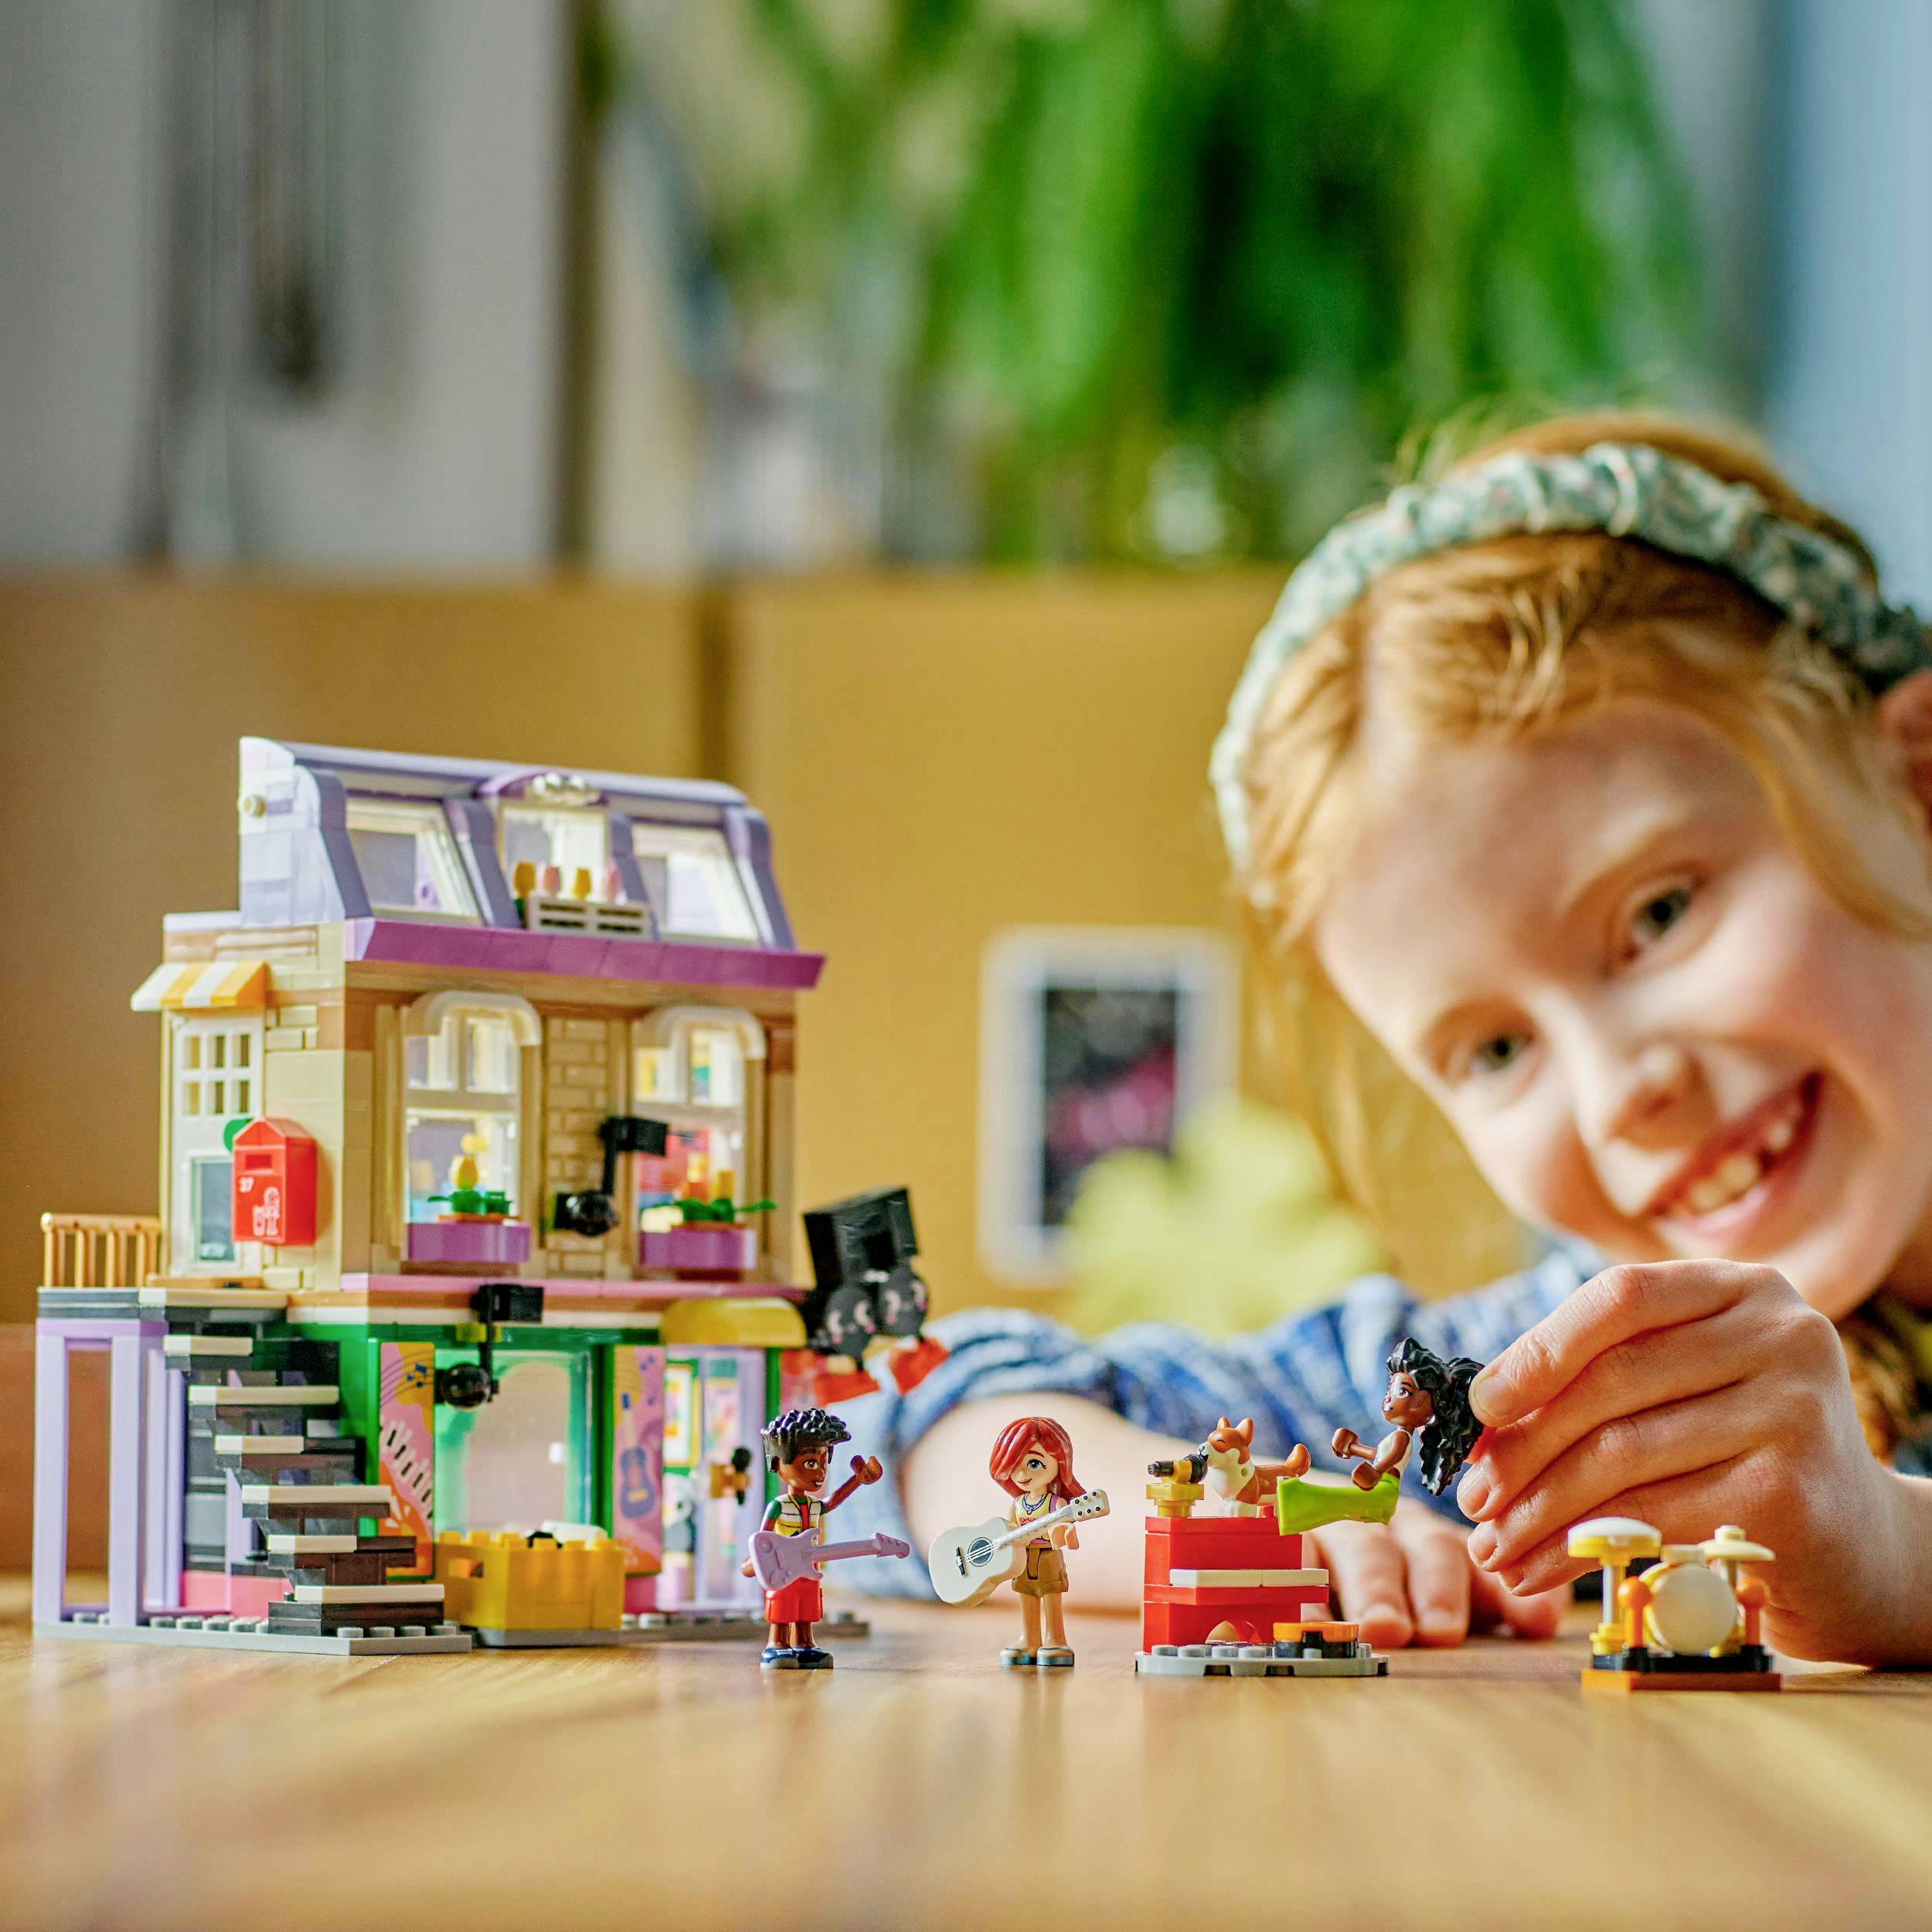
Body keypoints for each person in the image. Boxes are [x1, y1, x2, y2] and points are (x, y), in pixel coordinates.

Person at [833, 413, 1932, 1668]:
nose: (1621, 1091)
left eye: (1660, 914)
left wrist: (1898, 1555)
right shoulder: (1543, 1404)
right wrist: (1220, 1528)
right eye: (1497, 1052)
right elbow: (928, 1432)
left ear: (1919, 783)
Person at [744, 1406, 883, 1668]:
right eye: (810, 1463)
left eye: (822, 1463)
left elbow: (830, 1502)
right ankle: (778, 1645)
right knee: (783, 1607)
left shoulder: (813, 1506)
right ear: (777, 1462)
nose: (819, 1473)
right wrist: (757, 1561)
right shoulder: (779, 1505)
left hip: (810, 1568)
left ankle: (805, 1644)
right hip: (783, 1569)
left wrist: (857, 1481)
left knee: (807, 1607)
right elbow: (764, 1538)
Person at [986, 1416, 1098, 1668]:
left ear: (1058, 1462)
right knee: (1026, 1598)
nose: (1023, 1474)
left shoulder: (1056, 1505)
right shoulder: (1017, 1504)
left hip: (1047, 1556)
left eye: (1034, 1463)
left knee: (1051, 1599)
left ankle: (1056, 1639)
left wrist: (1063, 1533)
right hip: (1022, 1559)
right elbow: (1007, 1529)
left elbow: (1068, 1531)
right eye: (1015, 1466)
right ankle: (1029, 1640)